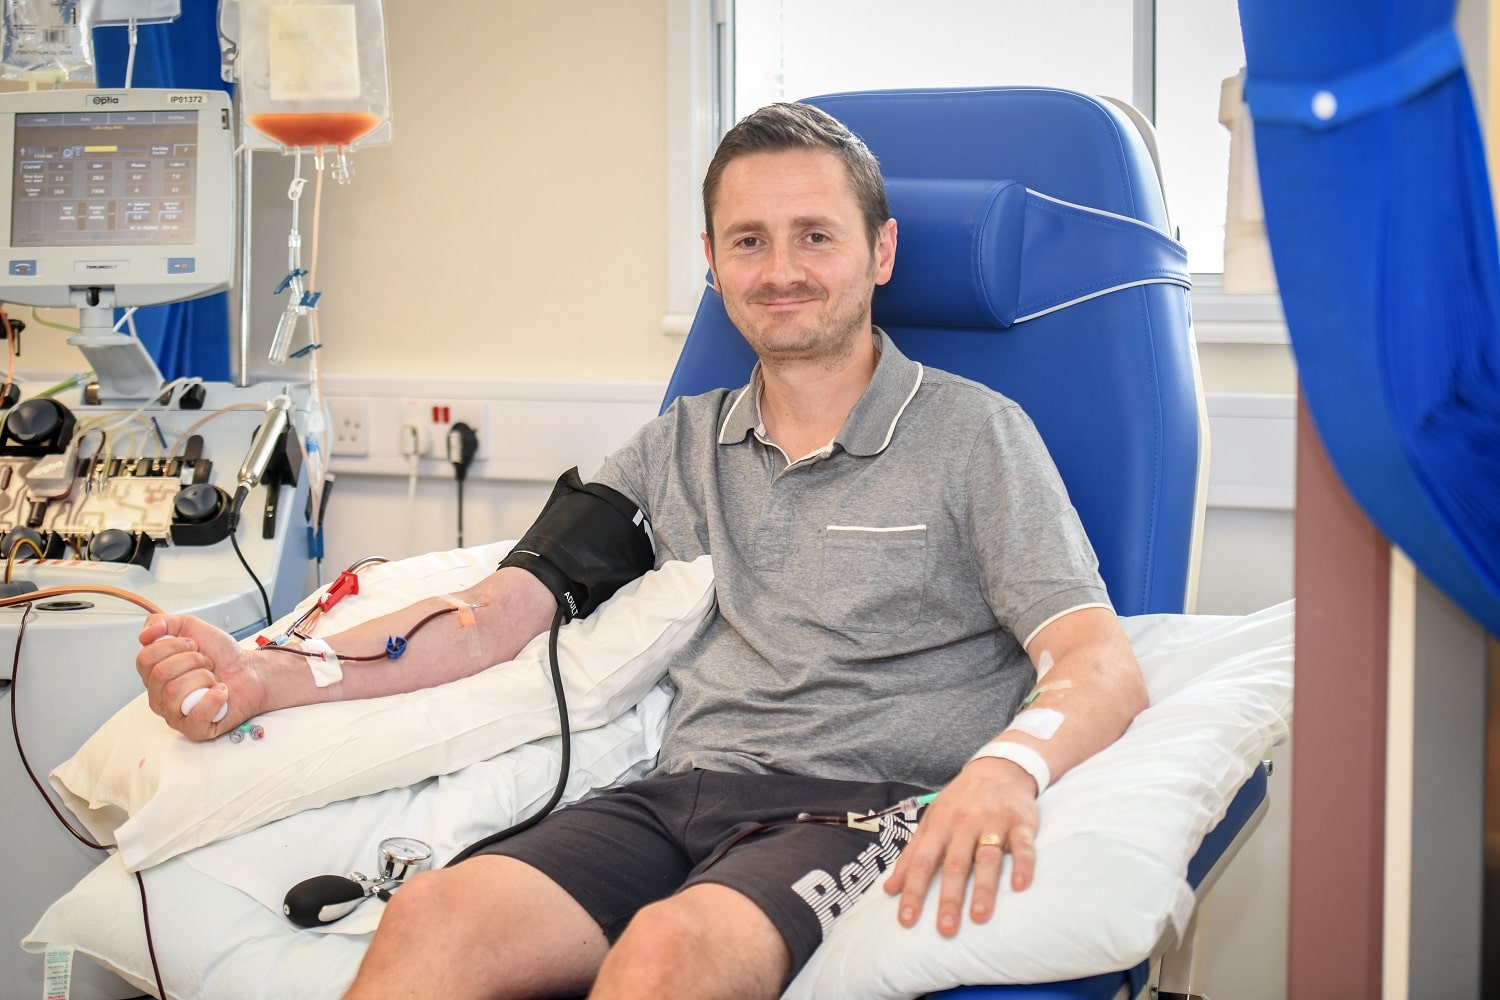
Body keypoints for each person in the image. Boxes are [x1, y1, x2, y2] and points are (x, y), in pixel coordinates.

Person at [136, 102, 1149, 1000]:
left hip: (858, 805)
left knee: (665, 955)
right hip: (679, 791)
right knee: (432, 918)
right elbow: (495, 614)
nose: (782, 270)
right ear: (711, 263)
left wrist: (1007, 770)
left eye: (816, 237)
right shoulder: (678, 444)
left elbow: (1097, 662)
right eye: (749, 240)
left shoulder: (976, 435)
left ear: (881, 252)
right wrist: (268, 675)